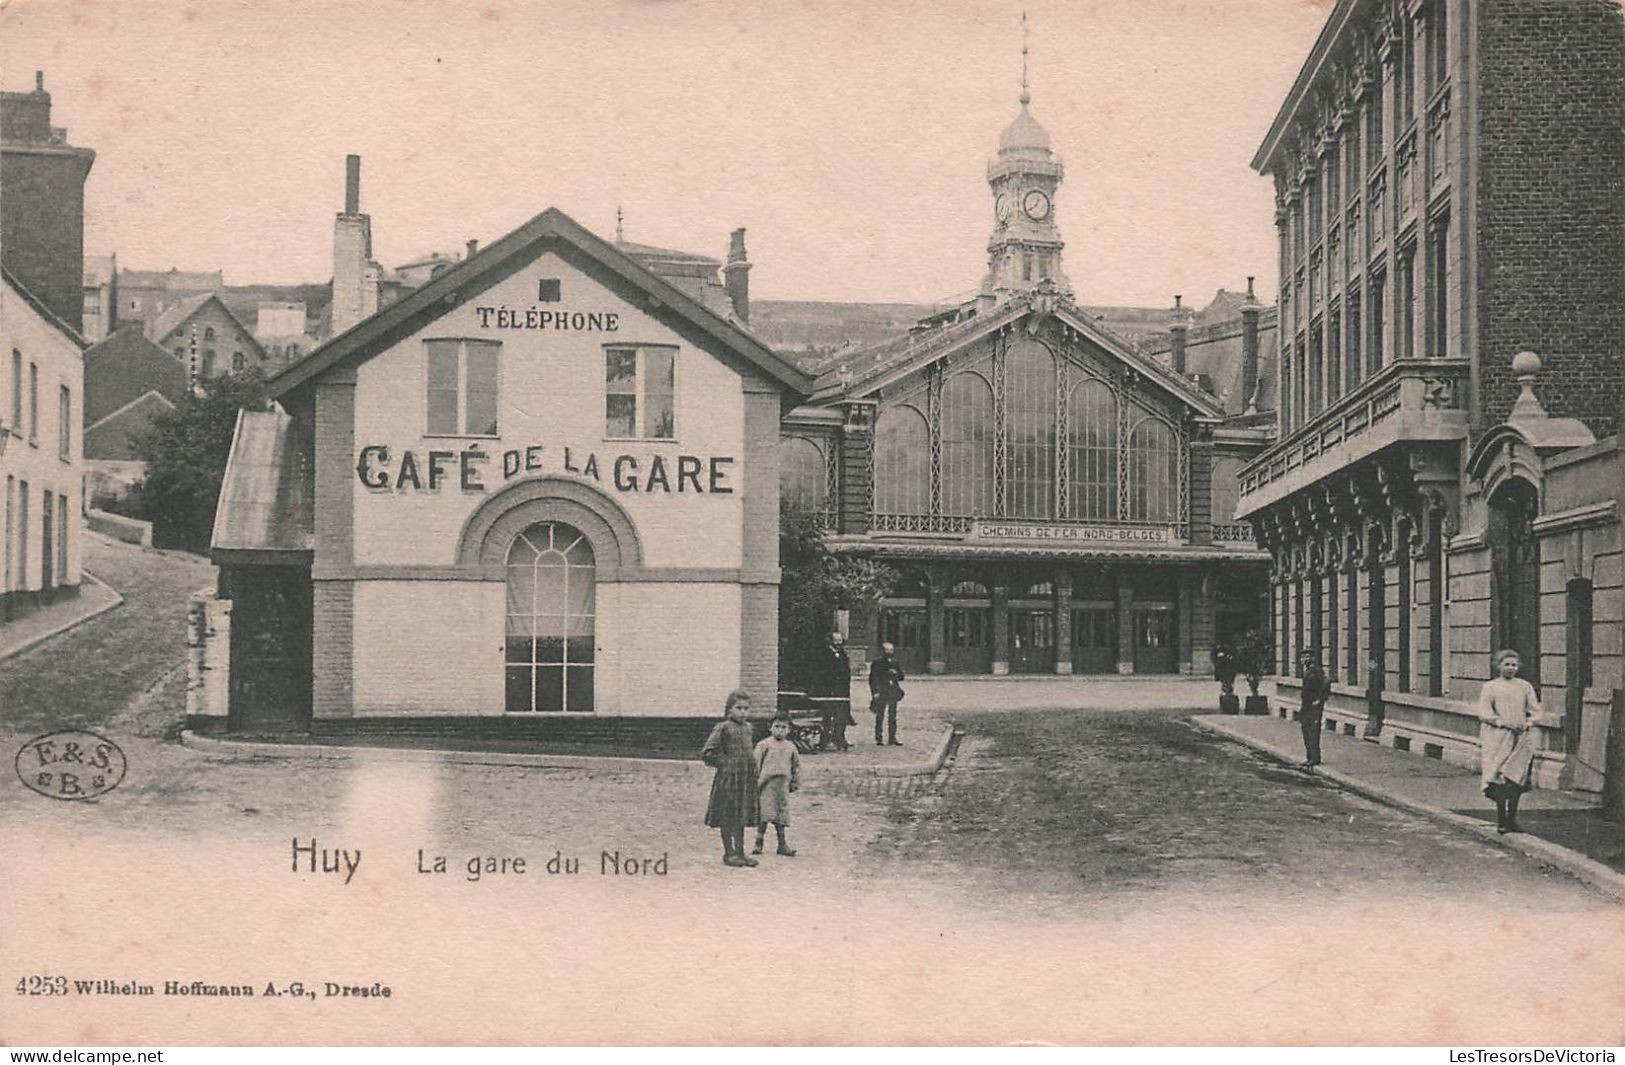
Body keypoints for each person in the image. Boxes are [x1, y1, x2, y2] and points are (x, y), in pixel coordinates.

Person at [1477, 649, 1547, 834]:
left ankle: (1511, 819)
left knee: (1516, 777)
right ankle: (1501, 820)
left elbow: (1536, 711)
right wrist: (1501, 722)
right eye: (1506, 664)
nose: (1510, 668)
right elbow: (1484, 712)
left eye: (1514, 665)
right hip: (1498, 737)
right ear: (1498, 666)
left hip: (1520, 737)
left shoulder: (1525, 686)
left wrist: (1528, 722)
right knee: (1498, 777)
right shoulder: (1490, 687)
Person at [702, 689, 761, 867]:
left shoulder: (748, 728)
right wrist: (725, 764)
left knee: (741, 815)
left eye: (746, 708)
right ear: (729, 709)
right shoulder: (723, 728)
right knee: (728, 816)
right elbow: (707, 753)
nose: (743, 712)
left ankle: (741, 853)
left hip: (744, 781)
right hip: (728, 781)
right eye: (739, 708)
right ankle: (729, 853)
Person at [752, 714, 802, 856]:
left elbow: (796, 766)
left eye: (784, 727)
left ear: (789, 730)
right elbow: (755, 764)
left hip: (782, 786)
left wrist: (795, 782)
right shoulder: (764, 745)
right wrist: (754, 782)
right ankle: (758, 843)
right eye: (777, 726)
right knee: (764, 814)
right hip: (766, 785)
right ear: (770, 728)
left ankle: (782, 844)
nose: (780, 730)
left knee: (781, 815)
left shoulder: (791, 747)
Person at [812, 630, 854, 752]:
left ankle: (840, 739)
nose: (838, 643)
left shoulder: (843, 655)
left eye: (840, 641)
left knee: (840, 717)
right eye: (836, 641)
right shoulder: (824, 655)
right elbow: (821, 673)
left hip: (841, 691)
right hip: (829, 692)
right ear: (831, 641)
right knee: (827, 717)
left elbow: (846, 673)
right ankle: (825, 741)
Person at [1298, 649, 1330, 769]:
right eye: (1303, 657)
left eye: (1307, 657)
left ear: (1312, 658)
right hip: (1306, 705)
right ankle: (1310, 757)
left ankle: (1314, 758)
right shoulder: (1307, 671)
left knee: (1313, 731)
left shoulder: (1316, 671)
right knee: (1306, 730)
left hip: (1313, 707)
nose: (1304, 659)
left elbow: (1326, 684)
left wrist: (1320, 700)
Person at [868, 641, 905, 746]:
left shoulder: (895, 662)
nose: (889, 652)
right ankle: (879, 738)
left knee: (893, 715)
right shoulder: (877, 663)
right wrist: (874, 692)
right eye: (887, 650)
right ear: (883, 651)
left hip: (893, 691)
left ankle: (892, 738)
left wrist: (896, 673)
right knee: (880, 715)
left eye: (891, 650)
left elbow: (902, 677)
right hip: (882, 691)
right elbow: (873, 679)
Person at [1363, 654, 1386, 740]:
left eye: (1372, 663)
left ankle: (1374, 729)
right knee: (1373, 712)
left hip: (1377, 696)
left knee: (1376, 712)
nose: (1370, 666)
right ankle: (1373, 729)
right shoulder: (1372, 674)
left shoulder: (1378, 674)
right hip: (1373, 696)